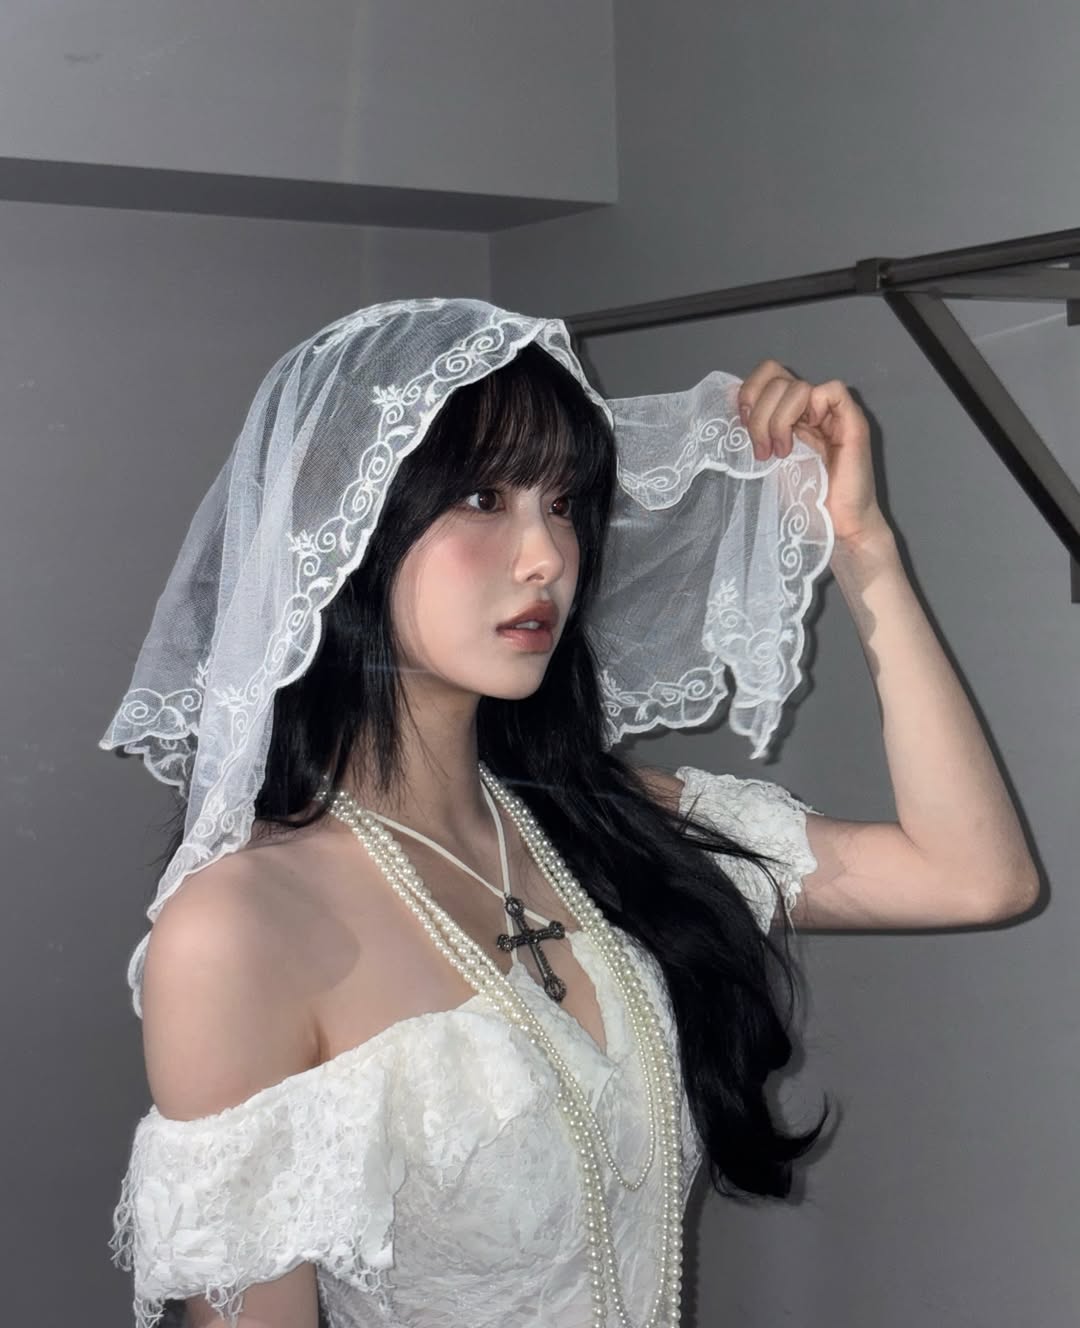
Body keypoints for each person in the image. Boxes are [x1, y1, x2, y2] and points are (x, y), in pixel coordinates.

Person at [102, 298, 838, 1328]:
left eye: (565, 502)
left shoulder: (599, 824)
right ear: (349, 526)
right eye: (485, 498)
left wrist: (866, 544)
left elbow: (979, 878)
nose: (547, 557)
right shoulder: (240, 926)